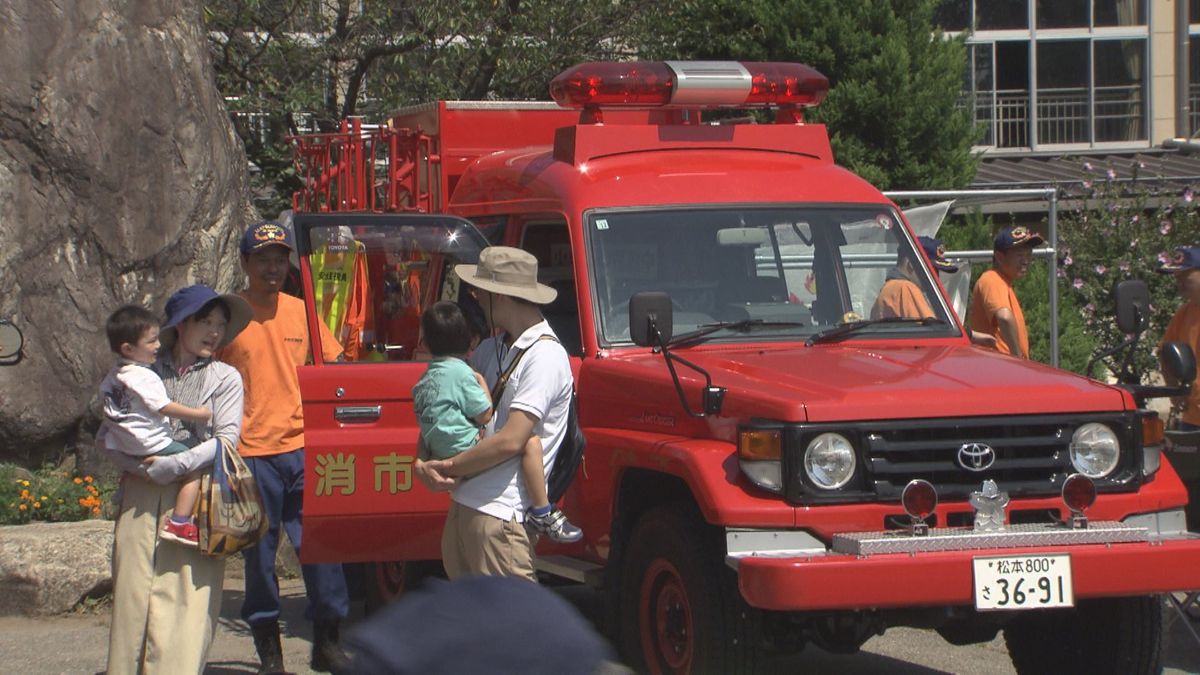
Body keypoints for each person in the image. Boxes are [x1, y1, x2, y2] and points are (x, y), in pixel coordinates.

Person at [217, 220, 351, 673]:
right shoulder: (228, 316)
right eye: (263, 259)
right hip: (251, 453)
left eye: (280, 259)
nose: (273, 267)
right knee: (259, 560)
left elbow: (335, 366)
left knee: (324, 548)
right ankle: (270, 656)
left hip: (307, 450)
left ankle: (327, 644)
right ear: (245, 263)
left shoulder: (303, 310)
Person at [100, 285, 249, 674]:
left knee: (187, 599)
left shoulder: (226, 377)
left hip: (195, 496)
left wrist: (177, 464)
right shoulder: (140, 371)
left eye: (220, 324)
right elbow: (110, 429)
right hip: (140, 492)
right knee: (133, 596)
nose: (214, 332)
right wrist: (136, 465)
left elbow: (226, 441)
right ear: (181, 325)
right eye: (205, 321)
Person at [415, 246, 576, 581]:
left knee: (511, 633)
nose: (474, 299)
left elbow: (512, 440)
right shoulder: (490, 348)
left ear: (500, 296)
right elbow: (444, 409)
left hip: (498, 516)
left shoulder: (544, 356)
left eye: (480, 292)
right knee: (499, 631)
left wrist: (444, 467)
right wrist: (421, 462)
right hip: (475, 515)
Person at [100, 305, 213, 547]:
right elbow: (163, 406)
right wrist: (199, 415)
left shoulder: (115, 374)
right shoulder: (143, 375)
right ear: (128, 348)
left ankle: (123, 491)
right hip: (152, 443)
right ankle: (180, 522)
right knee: (195, 465)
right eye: (151, 342)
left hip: (122, 443)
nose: (158, 346)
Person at [969, 225, 1044, 359]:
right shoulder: (992, 279)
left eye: (1028, 254)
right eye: (1019, 255)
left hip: (1003, 366)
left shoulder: (1003, 282)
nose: (1026, 261)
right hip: (999, 367)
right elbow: (1004, 317)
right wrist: (1017, 357)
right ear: (1000, 257)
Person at [1158, 245, 1200, 431]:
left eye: (1185, 277)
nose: (1179, 284)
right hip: (1193, 419)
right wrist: (1175, 393)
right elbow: (1165, 352)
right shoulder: (1184, 313)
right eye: (1177, 278)